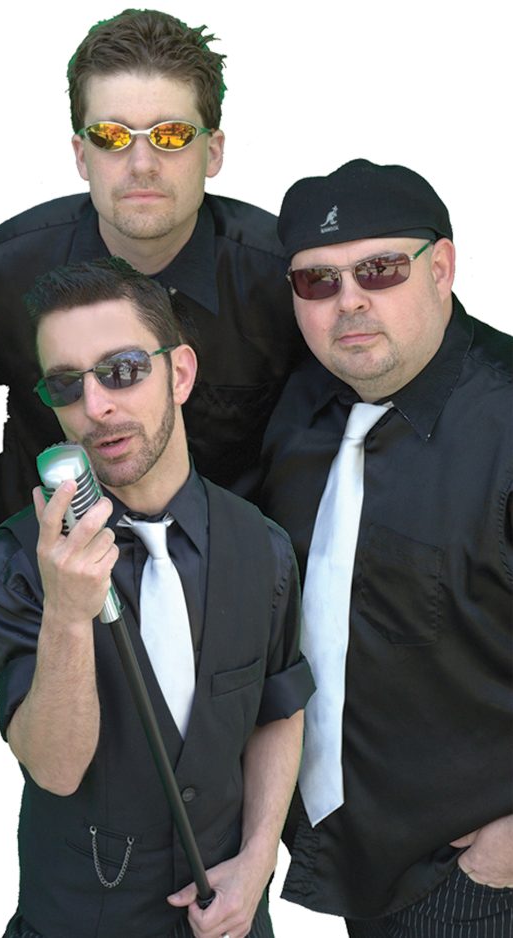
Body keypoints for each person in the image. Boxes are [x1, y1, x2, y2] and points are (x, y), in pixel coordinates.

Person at [0, 258, 314, 938]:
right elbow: (54, 768)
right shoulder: (12, 565)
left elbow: (278, 709)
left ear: (179, 374)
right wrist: (69, 613)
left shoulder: (264, 546)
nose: (96, 407)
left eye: (122, 370)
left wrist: (259, 860)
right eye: (66, 385)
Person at [259, 159, 513, 936]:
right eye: (318, 281)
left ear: (441, 268)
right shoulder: (296, 413)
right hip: (362, 868)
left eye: (380, 269)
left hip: (482, 876)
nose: (350, 301)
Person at [0, 8, 303, 516]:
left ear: (213, 152)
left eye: (171, 135)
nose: (142, 164)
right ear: (82, 154)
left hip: (239, 559)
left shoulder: (288, 280)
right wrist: (6, 546)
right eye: (112, 137)